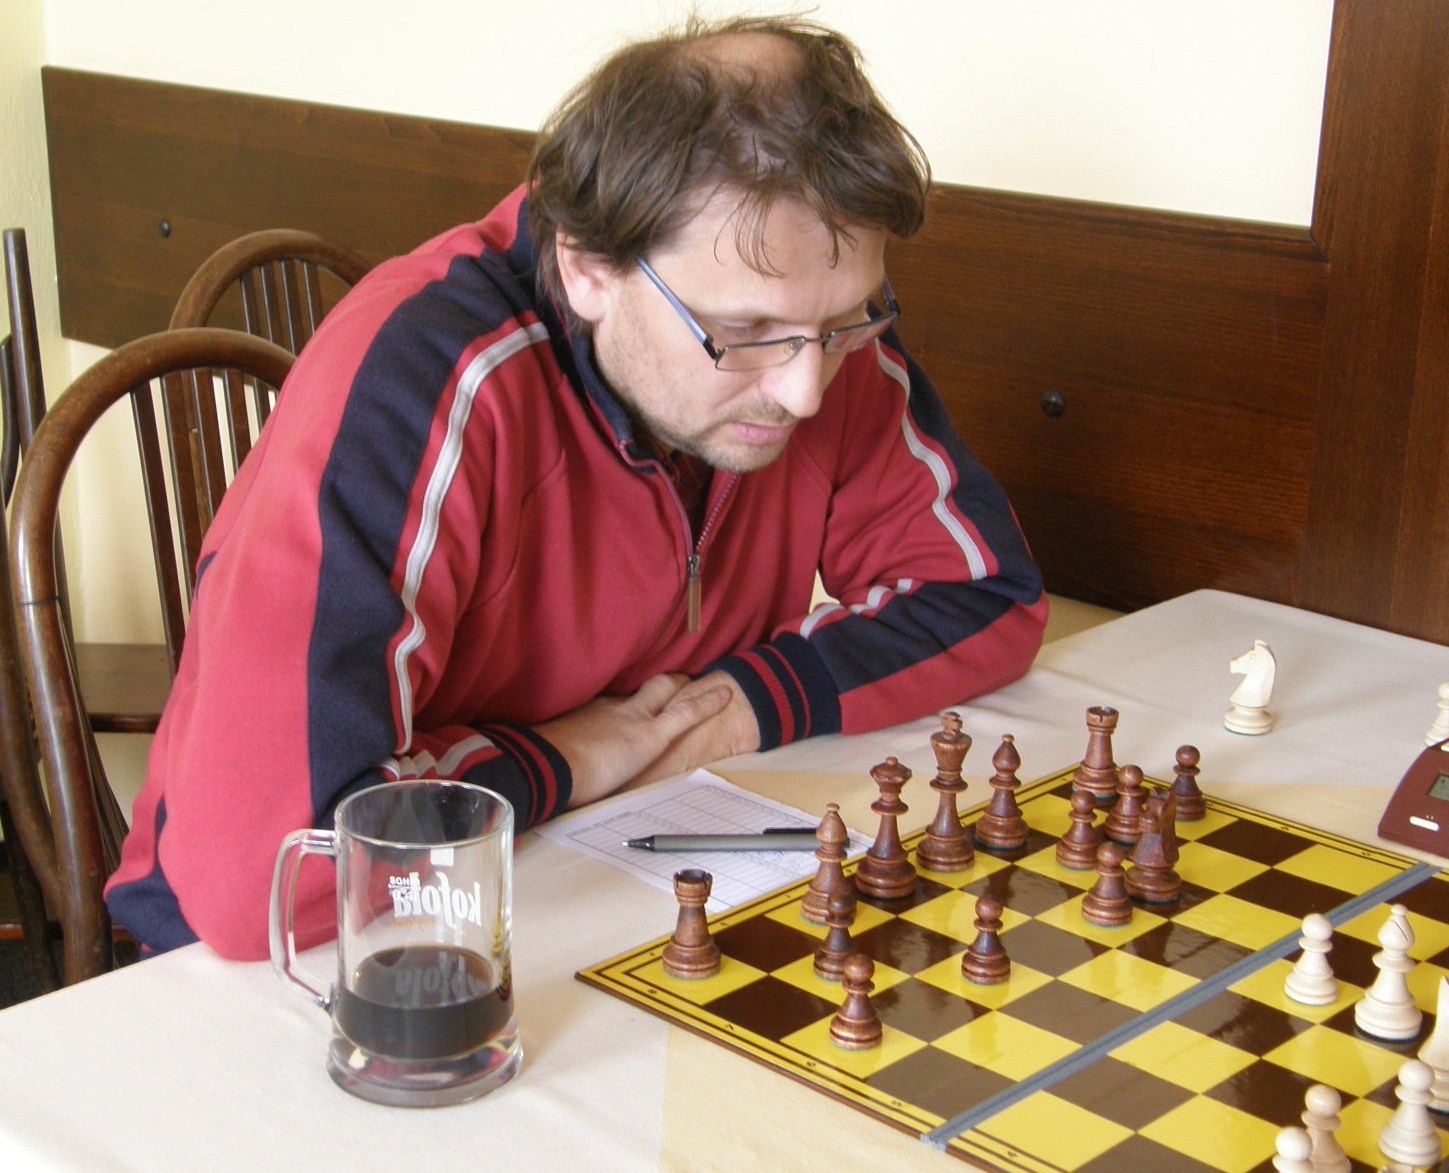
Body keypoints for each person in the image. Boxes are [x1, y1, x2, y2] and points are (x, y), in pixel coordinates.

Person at [106, 14, 1047, 959]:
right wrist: (561, 758)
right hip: (258, 970)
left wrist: (740, 705)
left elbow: (987, 590)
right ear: (589, 267)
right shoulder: (416, 374)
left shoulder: (809, 325)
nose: (805, 391)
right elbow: (263, 871)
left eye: (845, 321)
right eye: (744, 332)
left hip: (603, 870)